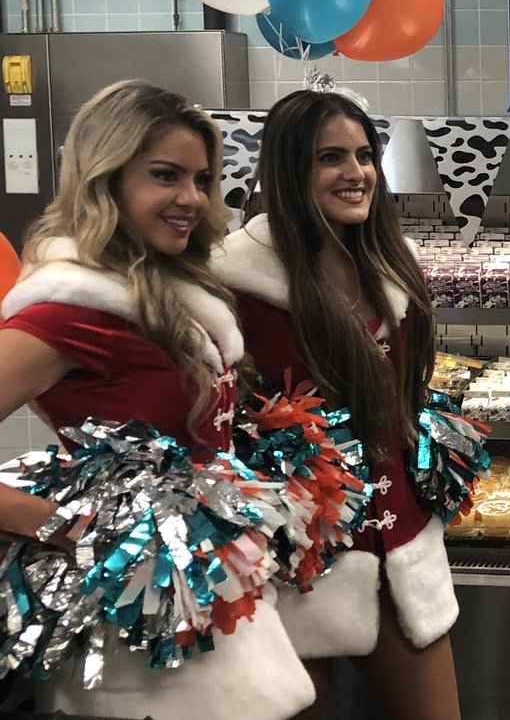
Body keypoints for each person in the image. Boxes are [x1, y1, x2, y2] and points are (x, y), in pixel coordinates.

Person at [0, 80, 315, 720]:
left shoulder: (171, 292)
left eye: (202, 178)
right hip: (139, 632)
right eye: (165, 176)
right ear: (104, 180)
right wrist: (72, 527)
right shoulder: (72, 311)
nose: (191, 199)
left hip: (207, 600)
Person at [213, 90, 460, 720]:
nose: (356, 173)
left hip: (402, 548)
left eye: (364, 154)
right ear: (290, 170)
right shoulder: (233, 282)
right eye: (331, 158)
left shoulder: (388, 264)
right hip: (293, 565)